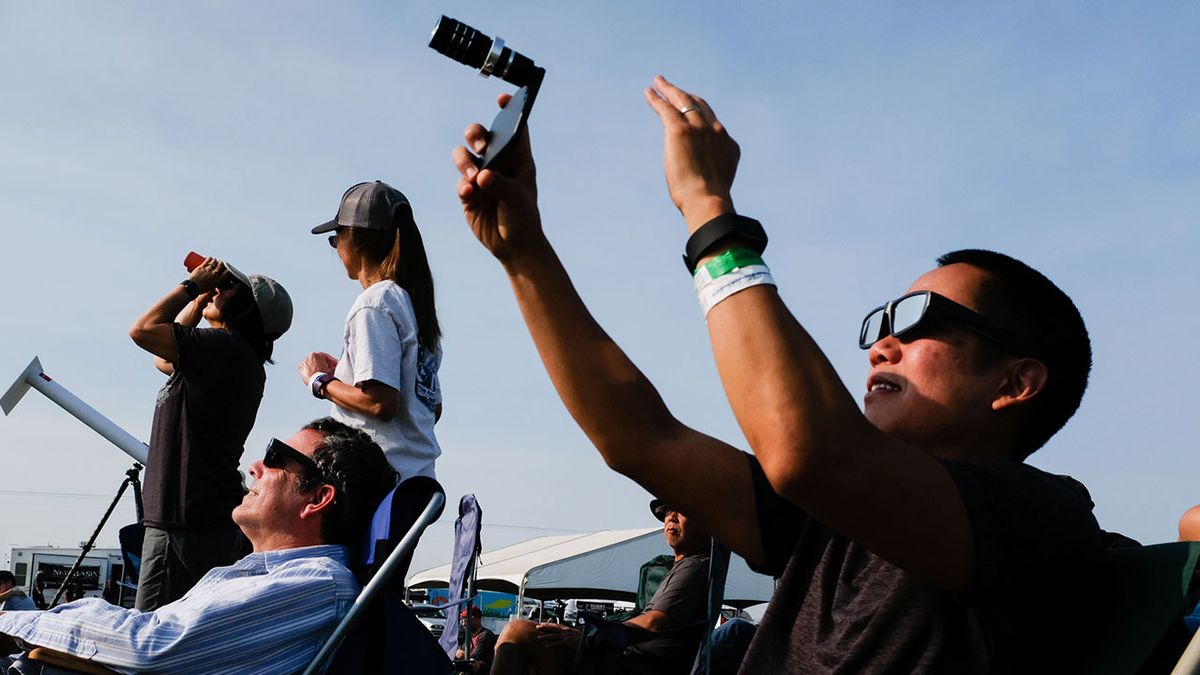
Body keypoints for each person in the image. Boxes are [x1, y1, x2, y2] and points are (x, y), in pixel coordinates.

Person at [452, 77, 1103, 673]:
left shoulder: (1043, 520)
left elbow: (806, 449)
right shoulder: (831, 521)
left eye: (916, 317)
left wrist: (709, 208)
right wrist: (523, 251)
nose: (882, 345)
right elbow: (641, 437)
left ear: (1016, 382)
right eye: (879, 323)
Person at [0, 418, 396, 674]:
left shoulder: (317, 585)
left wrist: (11, 625)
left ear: (317, 499)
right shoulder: (274, 575)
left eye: (277, 456)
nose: (255, 465)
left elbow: (150, 646)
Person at [128, 255, 293, 611]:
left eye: (229, 289)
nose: (219, 290)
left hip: (183, 518)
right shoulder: (233, 354)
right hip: (198, 516)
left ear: (245, 309)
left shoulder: (225, 349)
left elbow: (142, 331)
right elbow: (163, 360)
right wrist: (199, 300)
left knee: (152, 640)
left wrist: (191, 287)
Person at [300, 180, 446, 580]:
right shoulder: (416, 308)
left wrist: (321, 380)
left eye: (335, 239)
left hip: (376, 485)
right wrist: (348, 373)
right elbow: (431, 406)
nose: (335, 249)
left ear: (353, 240)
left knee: (349, 598)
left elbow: (382, 403)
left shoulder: (374, 303)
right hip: (412, 486)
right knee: (380, 605)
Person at [492, 499, 711, 675]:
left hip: (637, 666)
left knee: (518, 631)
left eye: (682, 510)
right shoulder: (682, 565)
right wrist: (580, 632)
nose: (671, 516)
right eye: (668, 510)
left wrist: (588, 639)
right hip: (626, 659)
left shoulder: (696, 565)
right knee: (538, 641)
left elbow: (655, 622)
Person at [454, 605, 498, 674]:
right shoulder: (469, 635)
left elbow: (473, 657)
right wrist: (457, 652)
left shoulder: (486, 635)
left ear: (477, 619)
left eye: (466, 620)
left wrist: (460, 654)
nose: (463, 624)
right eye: (462, 621)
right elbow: (461, 647)